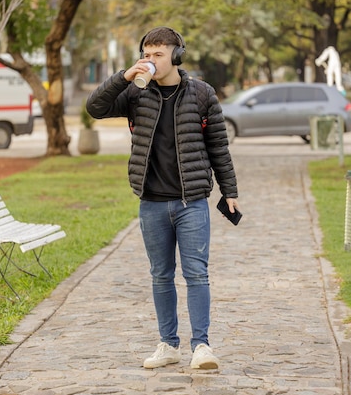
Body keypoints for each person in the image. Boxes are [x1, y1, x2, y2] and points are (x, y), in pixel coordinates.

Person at [86, 26, 240, 370]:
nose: (150, 60)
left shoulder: (202, 94)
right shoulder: (135, 94)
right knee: (160, 274)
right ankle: (168, 345)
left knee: (197, 274)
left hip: (192, 202)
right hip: (151, 202)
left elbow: (219, 146)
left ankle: (201, 346)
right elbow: (95, 107)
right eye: (146, 54)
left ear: (176, 55)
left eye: (158, 54)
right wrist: (124, 77)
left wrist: (230, 191)